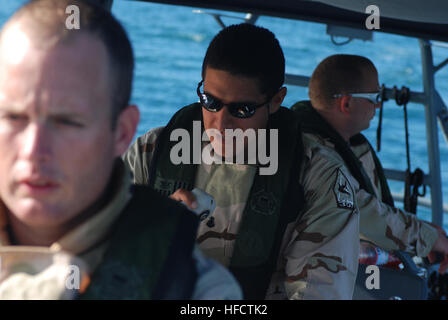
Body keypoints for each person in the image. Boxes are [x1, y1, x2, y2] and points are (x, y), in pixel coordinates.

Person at [0, 0, 242, 300]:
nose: (34, 150)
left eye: (68, 122)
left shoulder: (194, 288)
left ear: (122, 132)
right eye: (12, 117)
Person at [125, 23, 361, 299]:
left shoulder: (317, 179)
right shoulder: (152, 152)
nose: (221, 124)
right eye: (210, 102)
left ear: (276, 101)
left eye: (242, 109)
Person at [291, 54, 448, 273]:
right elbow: (361, 212)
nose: (379, 105)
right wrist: (428, 238)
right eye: (375, 97)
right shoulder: (316, 156)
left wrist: (423, 232)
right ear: (346, 103)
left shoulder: (333, 144)